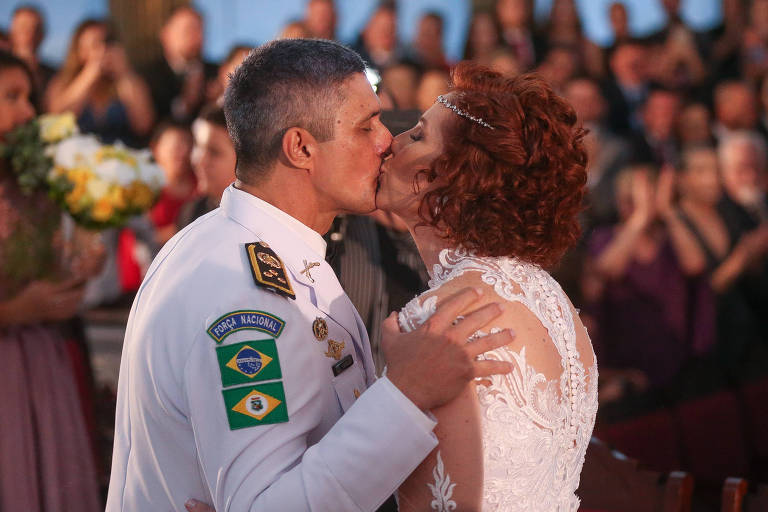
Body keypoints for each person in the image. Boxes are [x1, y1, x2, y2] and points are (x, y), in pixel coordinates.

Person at [106, 39, 515, 512]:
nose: (388, 140)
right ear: (301, 147)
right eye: (366, 127)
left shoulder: (244, 246)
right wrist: (406, 395)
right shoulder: (246, 294)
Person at [373, 63, 598, 510]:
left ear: (456, 178)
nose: (390, 143)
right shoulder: (553, 301)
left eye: (417, 136)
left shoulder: (438, 320)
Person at [0, 50, 101, 511]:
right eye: (11, 97)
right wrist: (14, 311)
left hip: (39, 361)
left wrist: (79, 266)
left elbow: (50, 264)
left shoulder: (32, 179)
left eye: (28, 96)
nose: (28, 111)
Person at [45, 19, 154, 146]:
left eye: (107, 43)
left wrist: (123, 74)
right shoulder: (63, 81)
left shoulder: (130, 80)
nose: (102, 51)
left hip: (124, 159)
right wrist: (90, 75)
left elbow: (143, 126)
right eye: (94, 45)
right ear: (79, 50)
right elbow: (55, 119)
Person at [141, 6, 217, 123]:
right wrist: (187, 101)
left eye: (199, 30)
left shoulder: (216, 72)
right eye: (187, 30)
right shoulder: (149, 76)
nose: (195, 37)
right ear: (166, 35)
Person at [176, 103, 236, 229]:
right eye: (198, 146)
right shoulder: (191, 212)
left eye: (214, 152)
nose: (199, 160)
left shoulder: (258, 223)